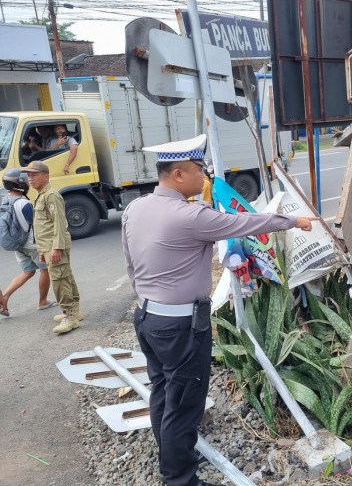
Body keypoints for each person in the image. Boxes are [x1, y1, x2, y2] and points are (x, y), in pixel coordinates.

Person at [121, 134, 318, 486]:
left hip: (147, 318)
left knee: (163, 392)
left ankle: (172, 453)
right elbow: (246, 223)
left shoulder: (136, 207)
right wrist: (293, 221)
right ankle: (180, 479)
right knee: (184, 405)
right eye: (200, 169)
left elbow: (131, 265)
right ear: (179, 174)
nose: (206, 177)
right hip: (181, 326)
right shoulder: (190, 215)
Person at [21, 160, 82, 334]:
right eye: (29, 175)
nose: (30, 179)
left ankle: (69, 316)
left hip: (55, 246)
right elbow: (43, 226)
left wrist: (56, 248)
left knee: (59, 280)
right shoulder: (41, 194)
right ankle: (74, 312)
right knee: (66, 277)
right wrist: (42, 250)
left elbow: (59, 223)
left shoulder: (51, 195)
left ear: (45, 176)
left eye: (34, 175)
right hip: (48, 246)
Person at [0, 169, 57, 317]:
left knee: (28, 272)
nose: (27, 182)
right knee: (45, 270)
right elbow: (37, 225)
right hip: (32, 245)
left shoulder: (4, 199)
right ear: (18, 184)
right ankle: (43, 301)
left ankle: (4, 297)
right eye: (25, 180)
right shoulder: (24, 204)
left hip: (17, 244)